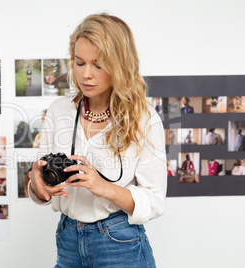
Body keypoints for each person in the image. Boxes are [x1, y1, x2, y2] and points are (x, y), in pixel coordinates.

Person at [28, 14, 166, 267]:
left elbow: (155, 201)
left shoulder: (143, 118)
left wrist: (103, 187)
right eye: (79, 63)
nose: (86, 75)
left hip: (120, 243)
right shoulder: (59, 110)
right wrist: (38, 185)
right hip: (67, 241)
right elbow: (43, 186)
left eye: (98, 65)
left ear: (120, 64)